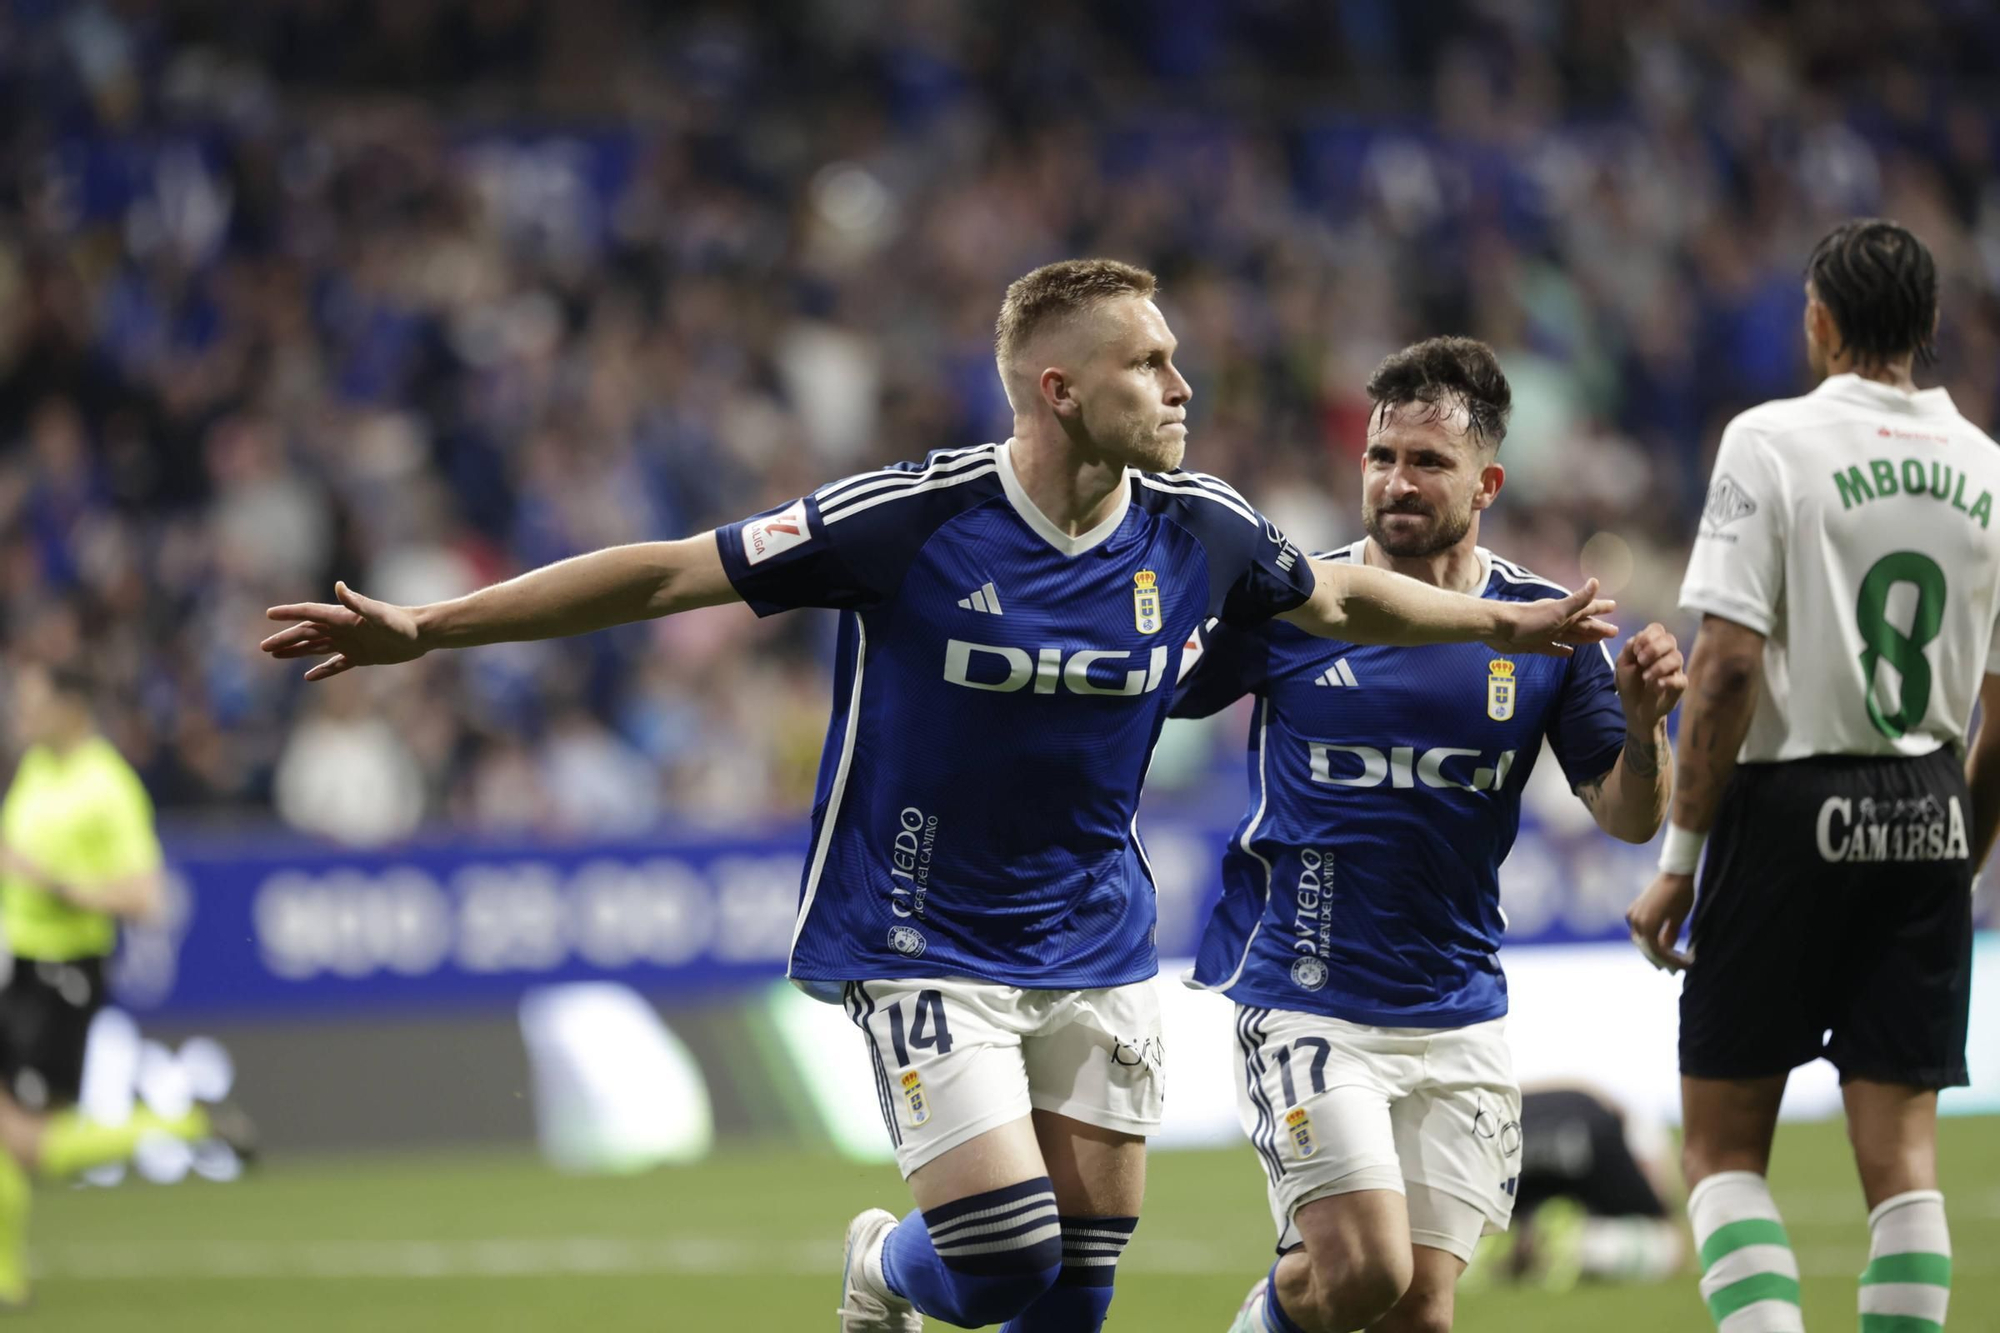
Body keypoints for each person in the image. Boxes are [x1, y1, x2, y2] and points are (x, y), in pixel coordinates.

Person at [262, 259, 1615, 1333]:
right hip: (923, 929)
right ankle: (881, 1266)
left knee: (1076, 1287)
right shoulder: (912, 517)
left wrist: (1502, 631)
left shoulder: (1199, 525)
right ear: (1059, 389)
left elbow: (1334, 593)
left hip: (1093, 933)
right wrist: (430, 629)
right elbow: (674, 571)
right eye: (1148, 363)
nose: (1181, 383)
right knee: (997, 1251)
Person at [1169, 336, 1684, 1333]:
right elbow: (1157, 695)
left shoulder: (1547, 628)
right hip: (1305, 995)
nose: (1394, 481)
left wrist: (1641, 721)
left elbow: (1628, 817)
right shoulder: (1295, 603)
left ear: (1485, 480)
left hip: (1456, 1010)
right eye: (1379, 457)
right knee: (1360, 1266)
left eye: (1425, 462)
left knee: (1421, 1312)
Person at [1626, 218, 2000, 1333]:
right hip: (1928, 799)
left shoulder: (1768, 442)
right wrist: (1956, 850)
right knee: (1901, 1158)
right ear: (1928, 327)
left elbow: (1728, 664)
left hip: (1788, 807)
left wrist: (1677, 861)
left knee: (1721, 1148)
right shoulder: (1987, 467)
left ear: (1817, 322)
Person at [0, 662, 248, 1306]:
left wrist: (53, 883)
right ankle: (7, 1278)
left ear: (70, 708)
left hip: (63, 973)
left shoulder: (107, 786)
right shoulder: (36, 771)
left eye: (31, 704)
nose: (19, 717)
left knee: (26, 1144)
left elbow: (148, 897)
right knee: (11, 1135)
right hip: (22, 965)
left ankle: (185, 1127)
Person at [1466, 1084, 1685, 1291]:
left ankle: (1496, 1246)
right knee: (1667, 1245)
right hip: (1580, 1139)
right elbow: (1672, 1239)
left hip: (1486, 1138)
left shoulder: (1587, 1103)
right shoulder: (1615, 1143)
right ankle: (1567, 1246)